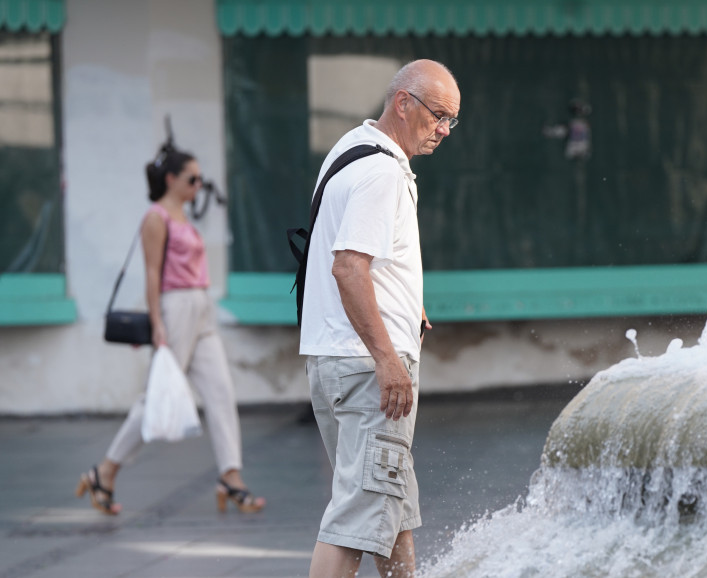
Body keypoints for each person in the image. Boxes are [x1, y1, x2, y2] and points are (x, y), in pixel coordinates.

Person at [301, 59, 460, 578]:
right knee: (355, 520)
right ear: (402, 103)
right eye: (438, 115)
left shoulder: (348, 150)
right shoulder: (384, 172)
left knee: (390, 510)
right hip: (369, 372)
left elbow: (357, 255)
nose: (443, 130)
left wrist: (404, 299)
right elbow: (348, 266)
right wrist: (387, 360)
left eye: (451, 121)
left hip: (335, 360)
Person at [75, 147, 265, 516]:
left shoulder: (184, 215)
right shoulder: (156, 218)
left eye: (200, 179)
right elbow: (151, 272)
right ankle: (105, 471)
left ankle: (231, 476)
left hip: (201, 306)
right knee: (157, 395)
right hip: (175, 306)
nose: (198, 185)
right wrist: (157, 322)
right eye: (192, 178)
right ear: (171, 180)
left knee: (221, 391)